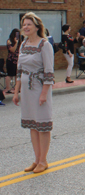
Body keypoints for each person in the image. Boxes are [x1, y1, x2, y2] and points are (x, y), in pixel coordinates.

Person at [12, 12, 54, 173]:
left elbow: (49, 72)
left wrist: (44, 93)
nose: (25, 27)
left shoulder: (44, 45)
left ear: (37, 27)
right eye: (24, 24)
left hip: (39, 89)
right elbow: (19, 70)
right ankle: (36, 160)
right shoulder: (23, 44)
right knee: (33, 125)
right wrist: (16, 93)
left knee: (42, 125)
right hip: (27, 91)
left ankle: (44, 160)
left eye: (29, 24)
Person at [4, 28, 21, 94]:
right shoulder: (9, 41)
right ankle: (8, 88)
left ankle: (17, 88)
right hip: (11, 60)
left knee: (17, 75)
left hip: (18, 60)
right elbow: (12, 50)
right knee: (10, 74)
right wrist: (16, 42)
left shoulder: (20, 41)